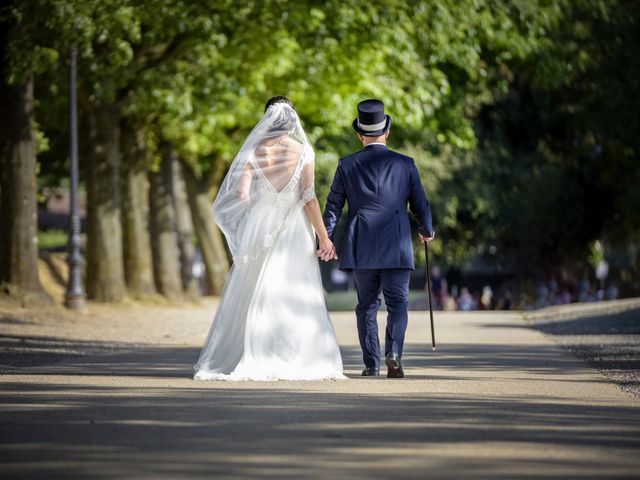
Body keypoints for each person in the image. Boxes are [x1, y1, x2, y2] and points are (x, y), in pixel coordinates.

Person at [193, 96, 345, 381]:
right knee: (293, 288)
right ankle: (293, 352)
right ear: (291, 122)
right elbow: (309, 198)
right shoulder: (302, 151)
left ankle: (251, 349)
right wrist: (324, 238)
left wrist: (261, 210)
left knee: (255, 287)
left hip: (261, 226)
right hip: (294, 228)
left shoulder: (254, 151)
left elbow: (241, 194)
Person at [322, 99, 435, 378]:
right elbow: (420, 204)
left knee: (367, 305)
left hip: (361, 244)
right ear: (387, 132)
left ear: (360, 135)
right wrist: (426, 229)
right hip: (396, 244)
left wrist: (326, 238)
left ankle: (371, 363)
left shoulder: (346, 165)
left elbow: (333, 205)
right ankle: (393, 353)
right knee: (398, 304)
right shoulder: (405, 164)